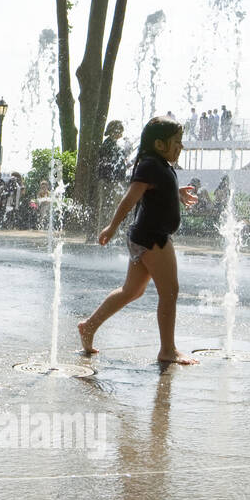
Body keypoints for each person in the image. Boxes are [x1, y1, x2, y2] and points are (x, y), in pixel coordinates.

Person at [77, 115, 200, 365]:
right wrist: (112, 227)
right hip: (153, 237)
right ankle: (168, 350)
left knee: (131, 290)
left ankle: (89, 326)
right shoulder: (150, 165)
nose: (181, 146)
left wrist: (175, 192)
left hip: (146, 235)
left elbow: (155, 191)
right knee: (170, 292)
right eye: (176, 141)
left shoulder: (159, 165)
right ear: (159, 144)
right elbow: (130, 198)